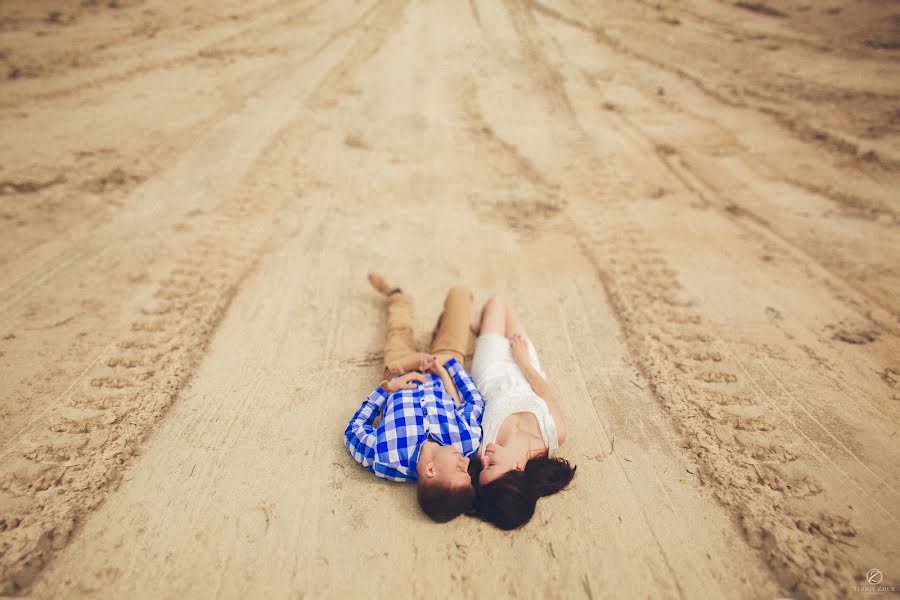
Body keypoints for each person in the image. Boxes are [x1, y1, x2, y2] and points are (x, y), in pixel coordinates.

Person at [344, 273, 485, 523]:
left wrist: (387, 388)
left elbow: (353, 431)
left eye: (459, 469)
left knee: (398, 327)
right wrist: (447, 369)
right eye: (468, 471)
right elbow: (473, 403)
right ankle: (442, 330)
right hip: (443, 367)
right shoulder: (468, 443)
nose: (466, 462)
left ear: (430, 471)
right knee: (460, 295)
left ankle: (396, 293)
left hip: (400, 369)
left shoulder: (384, 456)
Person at [468, 296, 576, 530]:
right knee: (505, 308)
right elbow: (545, 392)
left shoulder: (481, 446)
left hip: (490, 371)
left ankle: (482, 332)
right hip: (527, 370)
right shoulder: (554, 435)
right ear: (516, 471)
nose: (484, 459)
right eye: (491, 466)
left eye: (483, 467)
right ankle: (482, 330)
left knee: (496, 302)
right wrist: (522, 359)